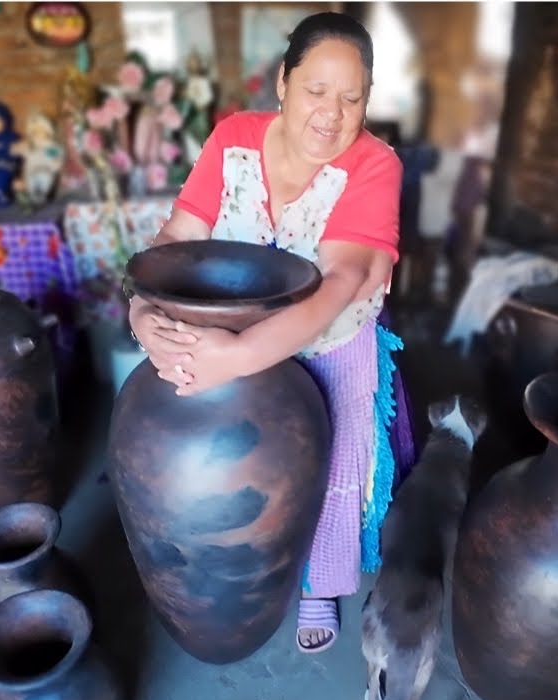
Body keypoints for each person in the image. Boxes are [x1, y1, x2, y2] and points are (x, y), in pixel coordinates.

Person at [128, 11, 417, 654]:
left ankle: (318, 582)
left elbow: (341, 282)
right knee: (227, 480)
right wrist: (144, 317)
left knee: (333, 462)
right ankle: (240, 578)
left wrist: (238, 358)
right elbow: (178, 238)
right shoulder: (233, 137)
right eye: (316, 90)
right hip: (229, 335)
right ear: (283, 82)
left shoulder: (375, 165)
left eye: (352, 97)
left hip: (328, 338)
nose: (332, 114)